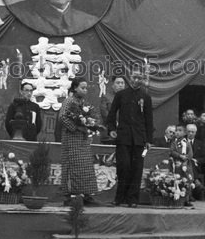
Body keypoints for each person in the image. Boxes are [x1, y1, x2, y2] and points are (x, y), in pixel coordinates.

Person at [107, 69, 153, 208]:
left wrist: (149, 140)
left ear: (142, 79)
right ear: (130, 78)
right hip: (123, 138)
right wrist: (111, 130)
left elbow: (149, 119)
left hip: (140, 140)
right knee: (123, 167)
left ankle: (133, 199)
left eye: (139, 78)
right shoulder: (121, 95)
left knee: (137, 169)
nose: (136, 80)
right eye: (134, 77)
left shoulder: (146, 97)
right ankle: (119, 198)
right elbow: (111, 115)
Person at [58, 77, 100, 205]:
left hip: (83, 140)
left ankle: (87, 195)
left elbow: (90, 118)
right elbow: (62, 117)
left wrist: (90, 124)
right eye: (82, 87)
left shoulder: (84, 103)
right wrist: (75, 128)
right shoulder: (69, 101)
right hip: (71, 139)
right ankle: (69, 197)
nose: (85, 90)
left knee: (86, 167)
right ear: (75, 88)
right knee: (72, 167)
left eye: (86, 88)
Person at [99, 75, 126, 145]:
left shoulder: (128, 98)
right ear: (113, 85)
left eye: (122, 83)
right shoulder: (106, 97)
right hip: (110, 131)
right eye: (118, 83)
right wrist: (114, 124)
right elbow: (105, 114)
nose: (120, 85)